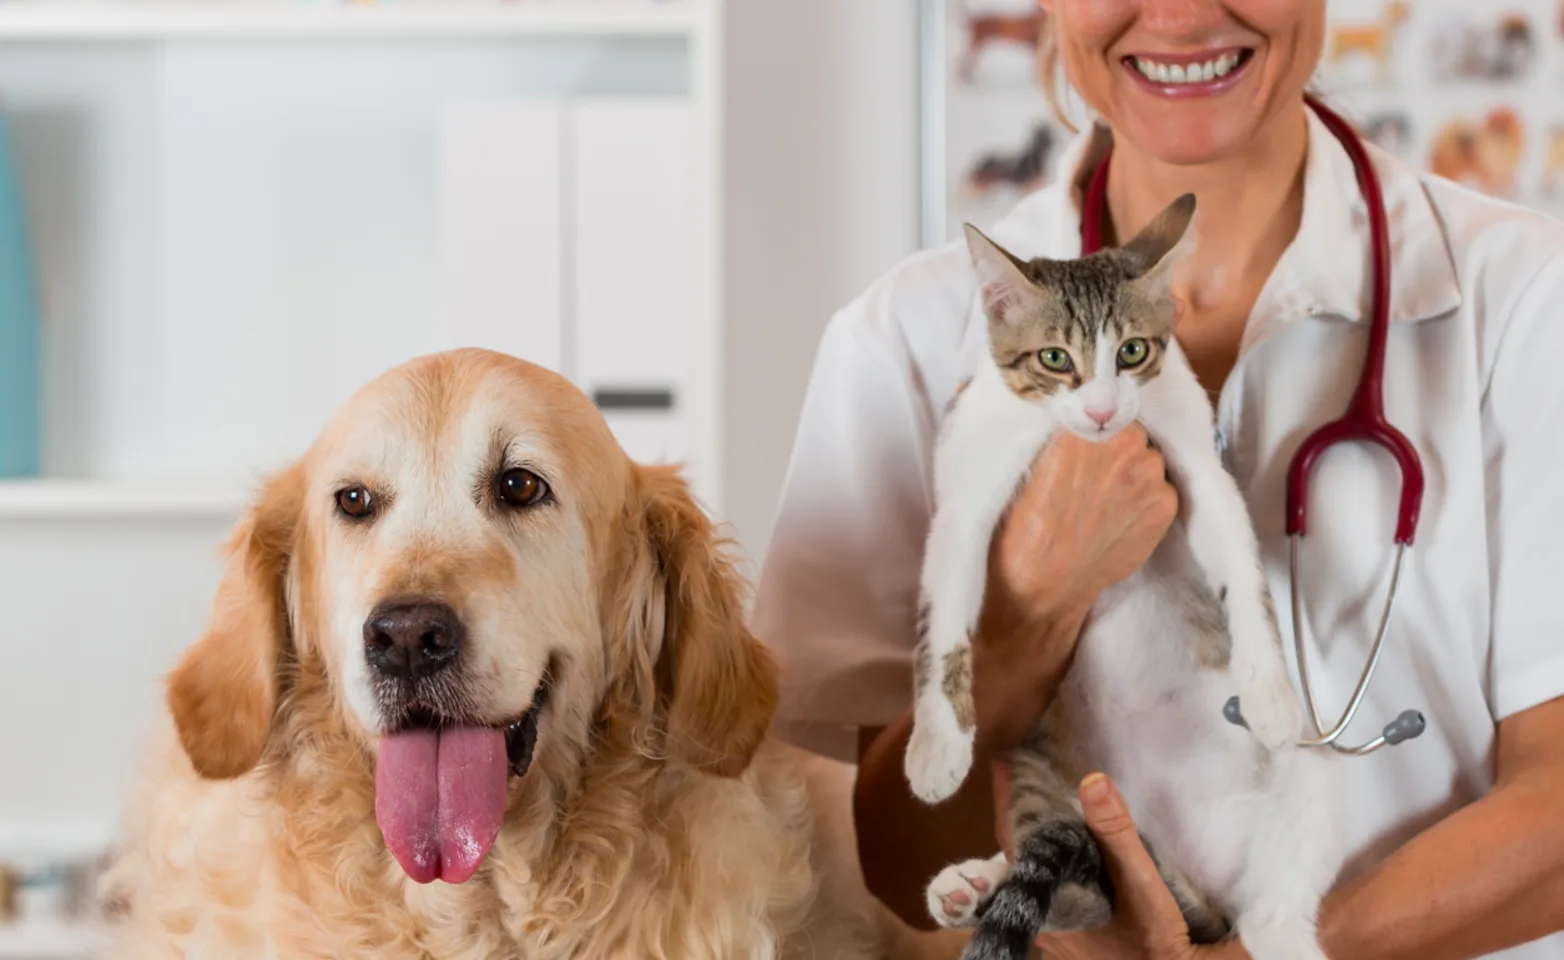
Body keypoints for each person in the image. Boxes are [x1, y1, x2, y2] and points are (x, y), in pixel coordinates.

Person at [748, 1, 1564, 958]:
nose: (1177, 14)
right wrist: (1023, 609)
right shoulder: (903, 346)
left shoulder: (1527, 302)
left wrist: (1275, 950)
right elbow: (891, 860)